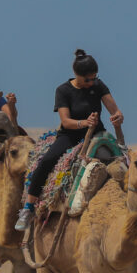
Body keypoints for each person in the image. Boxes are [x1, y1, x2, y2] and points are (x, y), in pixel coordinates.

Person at [15, 49, 124, 231]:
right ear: (76, 75)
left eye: (94, 78)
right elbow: (65, 121)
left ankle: (135, 209)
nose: (91, 83)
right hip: (71, 135)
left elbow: (115, 110)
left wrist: (118, 117)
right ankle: (28, 207)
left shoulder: (98, 86)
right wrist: (84, 122)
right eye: (87, 79)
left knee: (123, 164)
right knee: (47, 161)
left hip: (97, 135)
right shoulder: (63, 90)